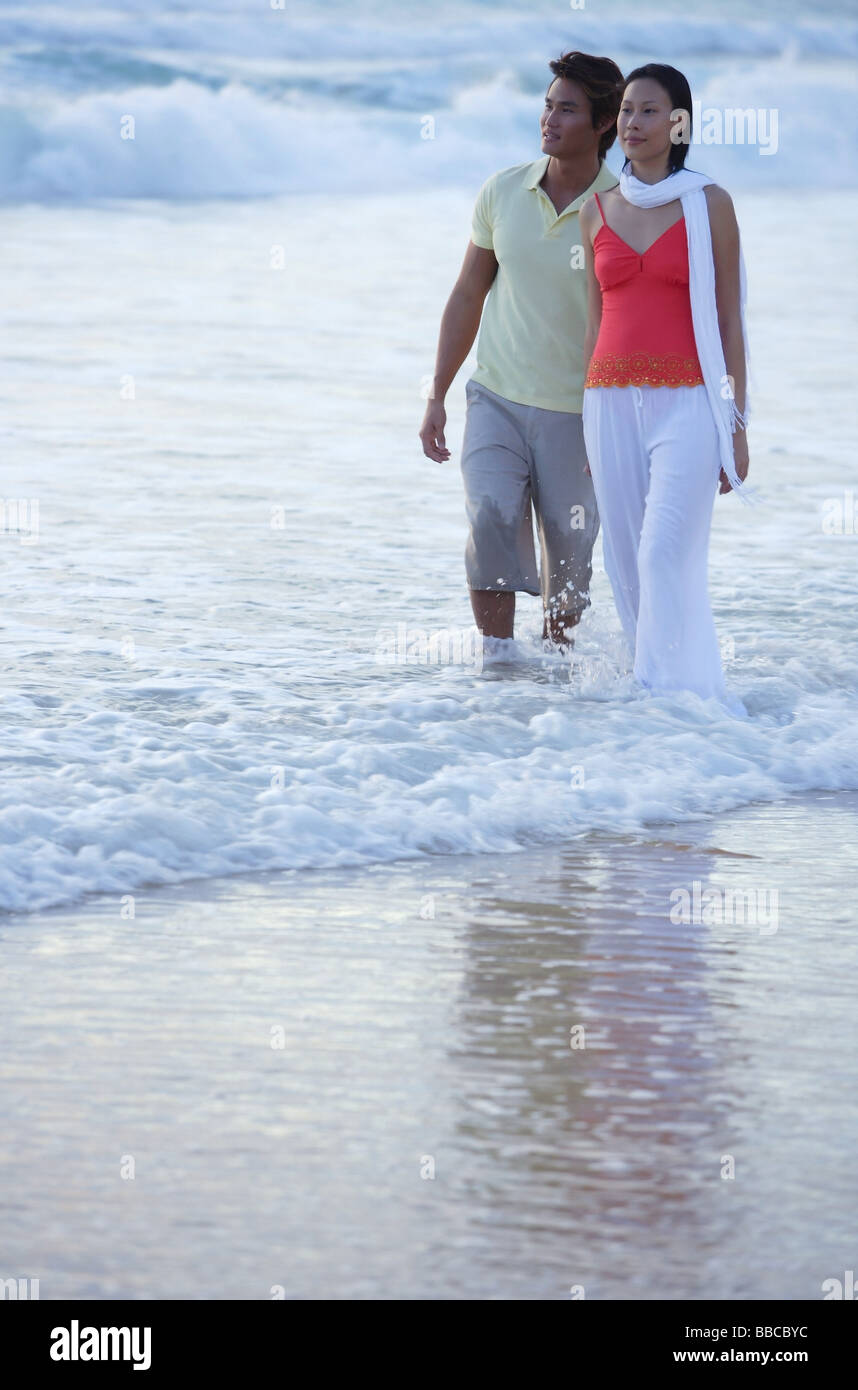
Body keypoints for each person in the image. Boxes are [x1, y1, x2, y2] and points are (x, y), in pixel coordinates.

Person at [419, 51, 624, 650]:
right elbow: (466, 295)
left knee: (569, 568)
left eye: (568, 109)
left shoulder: (624, 208)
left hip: (579, 413)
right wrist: (436, 394)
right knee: (490, 521)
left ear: (604, 123)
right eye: (547, 104)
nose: (550, 119)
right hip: (497, 398)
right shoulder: (503, 191)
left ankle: (559, 686)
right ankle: (499, 673)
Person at [579, 62, 751, 700]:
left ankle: (682, 699)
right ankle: (662, 706)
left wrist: (736, 425)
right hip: (609, 403)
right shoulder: (596, 212)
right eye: (625, 110)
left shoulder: (710, 204)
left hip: (691, 404)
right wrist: (586, 425)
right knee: (625, 567)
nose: (632, 122)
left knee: (661, 558)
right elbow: (593, 327)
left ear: (678, 123)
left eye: (649, 110)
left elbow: (728, 319)